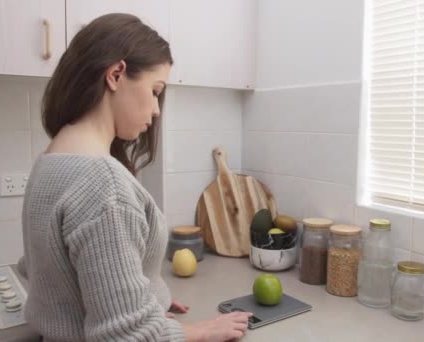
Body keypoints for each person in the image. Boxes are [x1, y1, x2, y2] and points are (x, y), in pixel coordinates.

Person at [18, 13, 252, 342]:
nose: (157, 110)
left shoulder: (52, 161)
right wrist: (196, 333)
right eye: (155, 90)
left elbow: (53, 272)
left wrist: (142, 298)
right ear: (116, 74)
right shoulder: (103, 184)